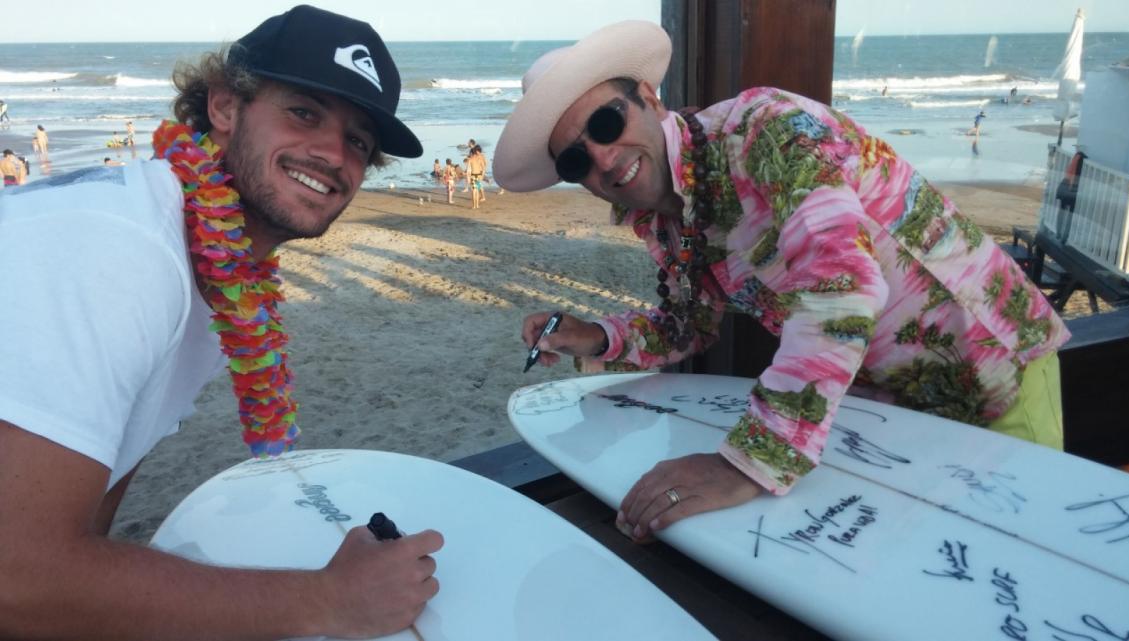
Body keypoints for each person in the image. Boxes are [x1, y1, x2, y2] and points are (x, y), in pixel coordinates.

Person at [495, 21, 1069, 543]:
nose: (601, 156)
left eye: (606, 122)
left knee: (1019, 555)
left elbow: (840, 287)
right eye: (575, 160)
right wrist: (596, 337)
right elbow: (688, 324)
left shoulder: (767, 131)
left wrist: (745, 462)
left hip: (989, 371)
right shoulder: (665, 218)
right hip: (876, 408)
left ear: (649, 99)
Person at [0, 6, 442, 639]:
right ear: (225, 108)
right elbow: (15, 576)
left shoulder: (218, 265)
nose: (332, 154)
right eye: (305, 112)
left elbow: (104, 475)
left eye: (359, 142)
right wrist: (330, 600)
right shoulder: (122, 249)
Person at [467, 145, 487, 209]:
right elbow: (484, 168)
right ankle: (477, 205)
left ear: (472, 153)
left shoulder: (470, 159)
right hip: (479, 175)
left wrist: (468, 178)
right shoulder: (479, 159)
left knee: (473, 191)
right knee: (477, 190)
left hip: (473, 175)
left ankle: (474, 206)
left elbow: (468, 170)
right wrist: (482, 176)